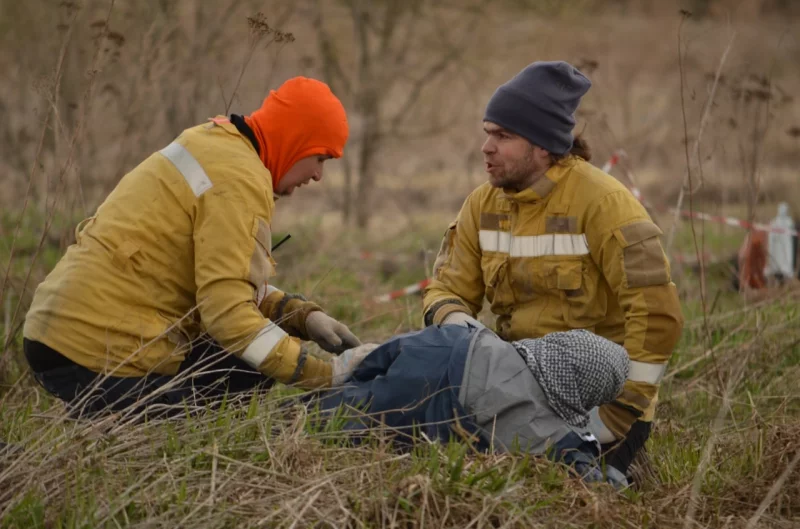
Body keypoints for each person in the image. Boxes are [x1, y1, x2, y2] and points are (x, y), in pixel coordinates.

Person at [22, 77, 371, 418]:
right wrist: (328, 376)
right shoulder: (238, 182)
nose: (318, 176)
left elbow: (223, 279)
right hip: (89, 350)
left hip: (54, 333)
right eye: (321, 158)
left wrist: (302, 317)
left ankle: (98, 414)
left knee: (241, 358)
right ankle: (106, 422)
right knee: (243, 373)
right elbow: (229, 315)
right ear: (297, 140)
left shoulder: (214, 143)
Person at [421, 61, 685, 477]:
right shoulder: (481, 205)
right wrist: (458, 325)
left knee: (585, 495)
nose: (486, 147)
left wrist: (618, 416)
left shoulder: (605, 204)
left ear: (543, 146)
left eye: (503, 136)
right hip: (512, 389)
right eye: (487, 133)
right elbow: (445, 289)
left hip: (597, 401)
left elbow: (657, 317)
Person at [311, 324, 630, 488]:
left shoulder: (476, 336)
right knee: (350, 430)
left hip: (444, 347)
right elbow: (589, 481)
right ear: (588, 392)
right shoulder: (550, 433)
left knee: (329, 412)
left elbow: (372, 362)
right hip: (428, 418)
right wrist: (617, 479)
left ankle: (286, 418)